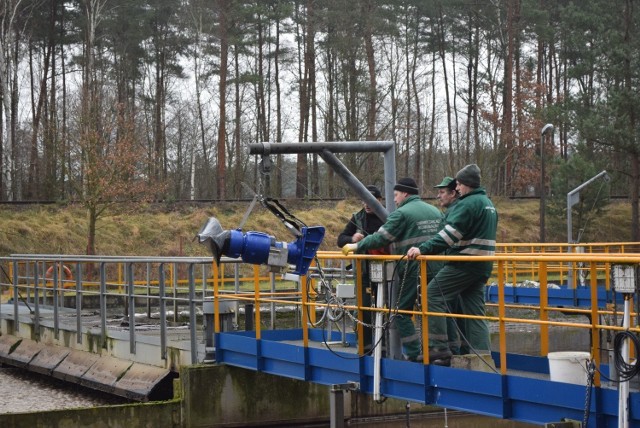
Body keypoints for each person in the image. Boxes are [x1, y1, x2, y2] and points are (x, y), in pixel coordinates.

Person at [342, 177, 442, 361]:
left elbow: (381, 238)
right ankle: (441, 349)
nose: (394, 200)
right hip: (437, 267)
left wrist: (356, 246)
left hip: (412, 268)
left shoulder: (401, 213)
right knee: (436, 306)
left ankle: (414, 353)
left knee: (400, 312)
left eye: (396, 195)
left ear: (405, 193)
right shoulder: (435, 210)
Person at [407, 164, 498, 365]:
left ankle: (438, 348)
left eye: (458, 184)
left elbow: (448, 236)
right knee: (475, 311)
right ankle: (481, 356)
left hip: (464, 263)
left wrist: (423, 249)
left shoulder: (468, 204)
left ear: (466, 184)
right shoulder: (487, 203)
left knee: (432, 295)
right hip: (482, 265)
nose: (457, 188)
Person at [337, 185, 386, 350]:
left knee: (385, 306)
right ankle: (364, 344)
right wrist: (352, 238)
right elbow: (340, 240)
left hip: (385, 270)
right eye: (364, 200)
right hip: (363, 270)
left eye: (371, 200)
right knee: (363, 307)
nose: (367, 204)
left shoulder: (389, 216)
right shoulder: (357, 217)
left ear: (380, 200)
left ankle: (385, 344)